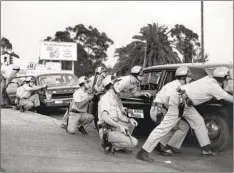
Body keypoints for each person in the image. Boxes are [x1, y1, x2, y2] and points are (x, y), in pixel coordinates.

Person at [136, 67, 233, 162]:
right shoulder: (214, 87)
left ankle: (206, 149)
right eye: (227, 79)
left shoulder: (209, 79)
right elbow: (229, 98)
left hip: (185, 101)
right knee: (164, 127)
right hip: (179, 101)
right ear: (222, 79)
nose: (228, 82)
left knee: (198, 121)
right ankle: (143, 152)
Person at [148, 66, 192, 156]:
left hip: (161, 108)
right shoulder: (175, 85)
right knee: (179, 126)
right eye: (189, 76)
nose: (190, 78)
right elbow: (166, 100)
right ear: (183, 77)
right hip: (159, 109)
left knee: (180, 127)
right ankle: (162, 147)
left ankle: (168, 146)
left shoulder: (179, 85)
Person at [98, 75, 138, 154]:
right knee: (134, 142)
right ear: (110, 86)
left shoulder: (114, 98)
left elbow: (120, 115)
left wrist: (130, 119)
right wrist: (119, 126)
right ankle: (107, 143)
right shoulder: (105, 98)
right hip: (106, 130)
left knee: (131, 124)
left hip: (114, 126)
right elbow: (104, 117)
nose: (120, 86)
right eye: (117, 84)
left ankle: (119, 147)